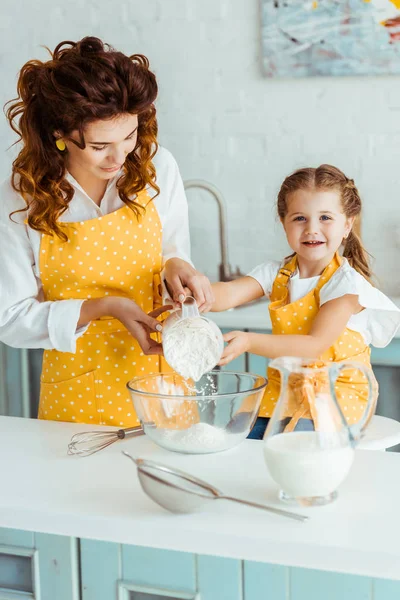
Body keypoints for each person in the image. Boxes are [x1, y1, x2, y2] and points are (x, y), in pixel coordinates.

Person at [0, 36, 213, 427]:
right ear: (58, 135)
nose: (120, 157)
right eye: (100, 145)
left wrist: (178, 267)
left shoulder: (157, 168)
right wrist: (102, 307)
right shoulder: (21, 197)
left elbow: (171, 251)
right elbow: (10, 319)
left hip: (163, 382)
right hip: (76, 392)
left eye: (129, 136)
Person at [210, 164, 400, 439]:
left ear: (347, 224)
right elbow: (227, 295)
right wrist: (193, 292)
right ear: (283, 221)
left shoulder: (345, 285)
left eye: (325, 217)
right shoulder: (277, 273)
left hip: (336, 396)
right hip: (287, 390)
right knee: (234, 434)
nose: (312, 229)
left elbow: (314, 346)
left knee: (291, 442)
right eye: (300, 218)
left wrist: (249, 342)